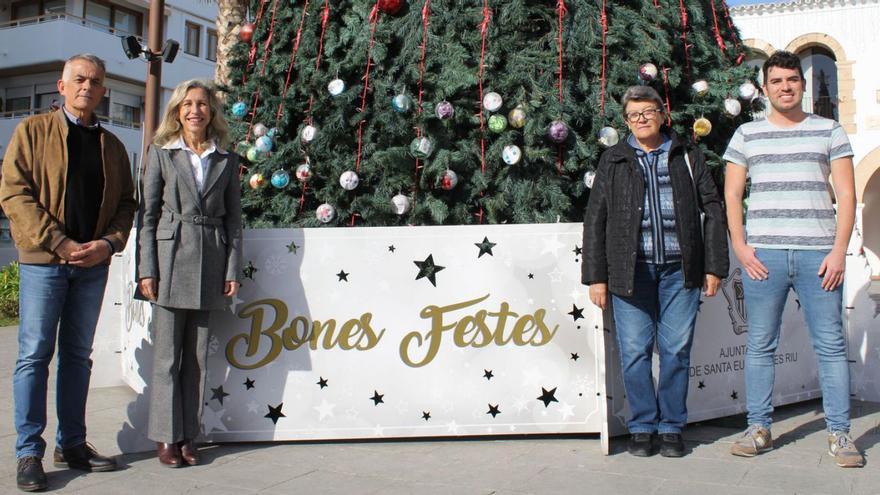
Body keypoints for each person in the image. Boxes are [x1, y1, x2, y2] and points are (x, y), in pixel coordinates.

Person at [0, 53, 137, 491]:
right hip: (45, 263)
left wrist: (108, 243)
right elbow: (14, 193)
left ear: (102, 91)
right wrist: (57, 241)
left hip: (92, 267)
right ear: (62, 86)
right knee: (34, 355)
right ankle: (28, 452)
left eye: (95, 82)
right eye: (79, 79)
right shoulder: (32, 132)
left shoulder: (112, 147)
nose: (87, 87)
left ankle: (73, 444)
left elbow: (125, 205)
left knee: (78, 356)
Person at [723, 51, 863, 467]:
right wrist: (741, 246)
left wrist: (839, 251)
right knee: (760, 345)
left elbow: (848, 194)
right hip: (763, 256)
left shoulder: (830, 130)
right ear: (764, 88)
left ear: (801, 84)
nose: (785, 87)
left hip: (819, 256)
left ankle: (839, 434)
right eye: (777, 81)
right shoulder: (746, 135)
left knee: (832, 347)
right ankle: (759, 428)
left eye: (792, 80)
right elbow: (732, 194)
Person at [582, 86, 728, 457]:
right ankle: (643, 426)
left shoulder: (686, 154)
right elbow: (595, 219)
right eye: (634, 115)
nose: (642, 119)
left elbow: (712, 209)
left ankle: (672, 427)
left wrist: (714, 266)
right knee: (634, 352)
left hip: (681, 272)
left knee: (676, 350)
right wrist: (596, 276)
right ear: (626, 121)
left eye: (648, 111)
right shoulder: (613, 159)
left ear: (663, 114)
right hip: (630, 274)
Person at [137, 79, 243, 468]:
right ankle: (167, 436)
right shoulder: (162, 154)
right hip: (169, 263)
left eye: (202, 104)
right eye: (187, 104)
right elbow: (147, 216)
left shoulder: (226, 160)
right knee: (167, 357)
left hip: (210, 263)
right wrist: (147, 270)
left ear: (212, 112)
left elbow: (234, 221)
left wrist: (232, 268)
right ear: (177, 112)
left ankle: (189, 436)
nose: (195, 110)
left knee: (197, 357)